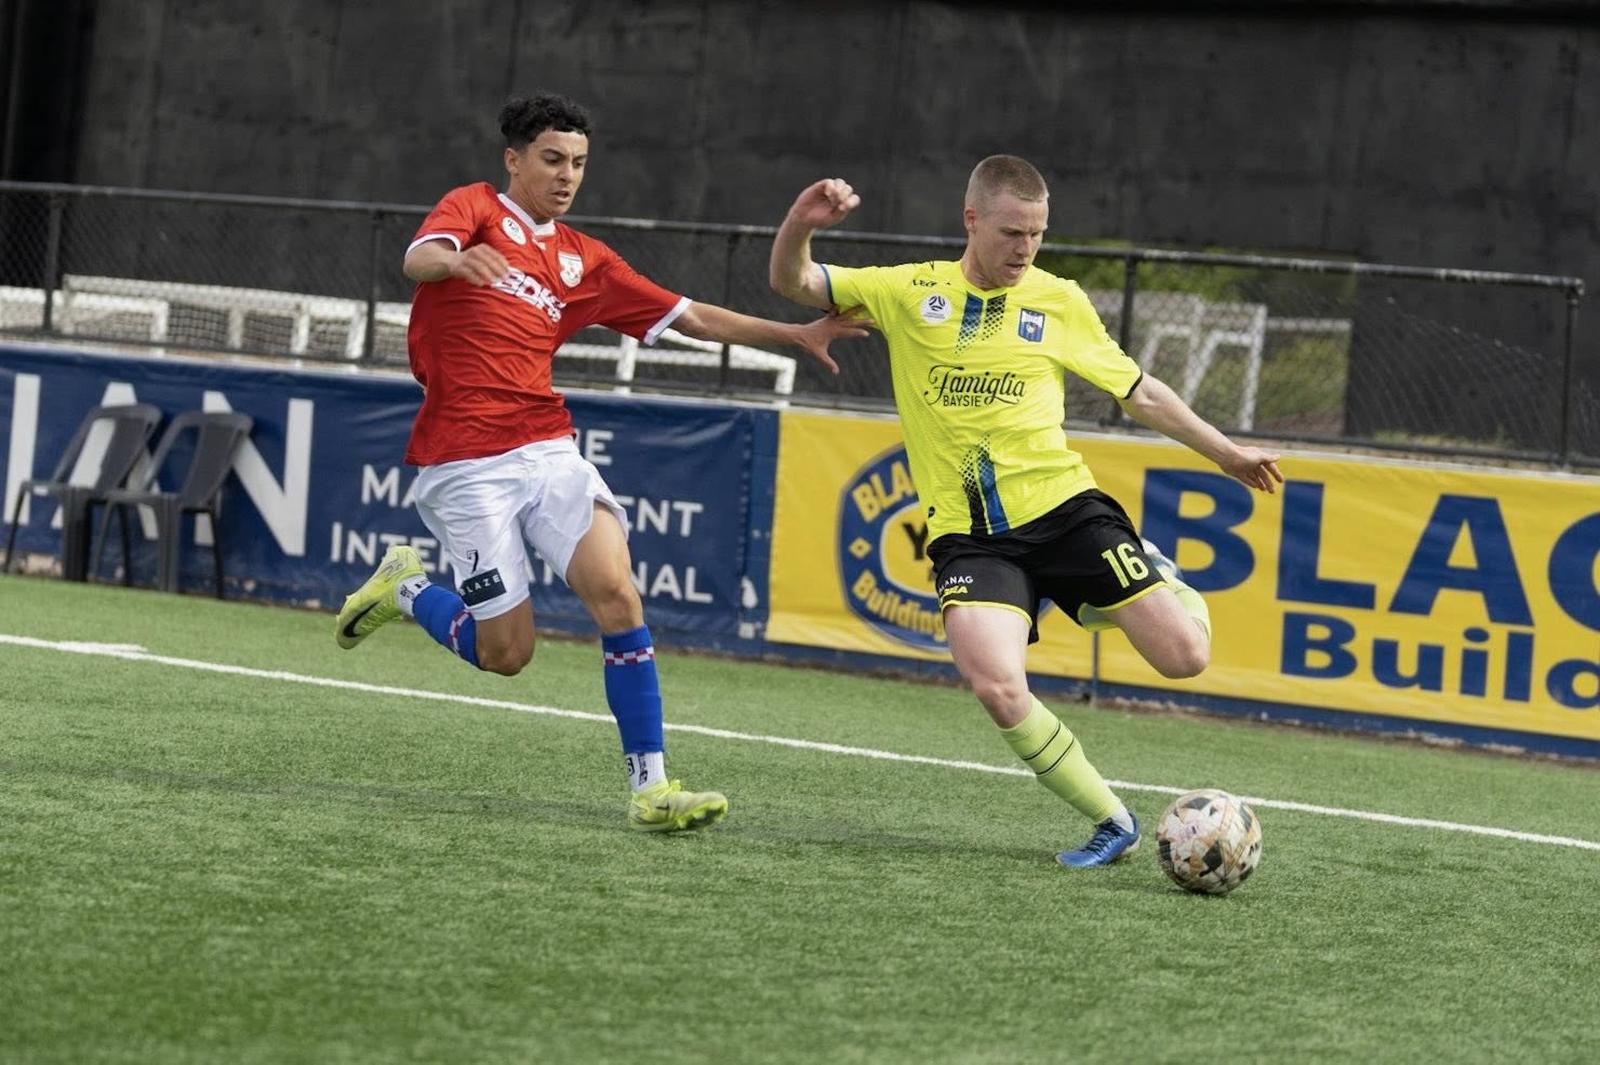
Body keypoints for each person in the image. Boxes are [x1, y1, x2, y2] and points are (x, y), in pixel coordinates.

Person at [336, 93, 864, 833]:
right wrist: (454, 261)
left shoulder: (585, 260)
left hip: (548, 447)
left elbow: (691, 315)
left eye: (579, 163)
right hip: (466, 463)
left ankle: (652, 789)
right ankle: (407, 589)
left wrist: (796, 334)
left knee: (618, 594)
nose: (567, 176)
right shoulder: (474, 208)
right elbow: (417, 258)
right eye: (552, 159)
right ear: (514, 159)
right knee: (506, 653)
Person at [769, 157, 1283, 866]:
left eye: (1038, 234)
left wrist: (1224, 452)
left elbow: (1140, 391)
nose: (1026, 249)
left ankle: (1152, 572)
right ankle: (1114, 820)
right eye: (1013, 232)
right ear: (972, 220)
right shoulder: (907, 290)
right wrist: (801, 224)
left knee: (1185, 658)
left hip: (1065, 511)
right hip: (972, 539)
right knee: (997, 684)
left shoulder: (1059, 300)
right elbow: (795, 282)